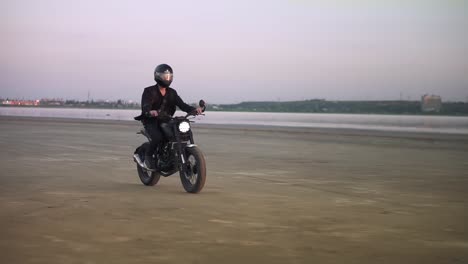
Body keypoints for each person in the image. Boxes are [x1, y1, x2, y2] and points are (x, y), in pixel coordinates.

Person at [135, 64, 203, 169]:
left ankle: (172, 156)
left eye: (169, 76)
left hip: (166, 119)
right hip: (151, 121)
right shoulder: (149, 91)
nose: (167, 78)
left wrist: (194, 110)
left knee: (180, 134)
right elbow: (145, 107)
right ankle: (148, 157)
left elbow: (182, 105)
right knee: (158, 137)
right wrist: (151, 111)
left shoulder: (172, 92)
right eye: (164, 76)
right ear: (157, 76)